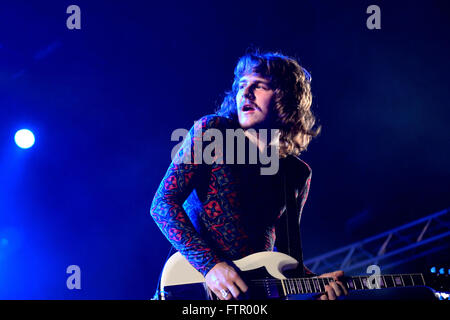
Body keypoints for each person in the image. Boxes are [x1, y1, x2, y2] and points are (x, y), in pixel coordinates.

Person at [150, 51, 348, 300]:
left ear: (286, 98)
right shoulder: (213, 133)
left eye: (259, 86)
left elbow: (290, 262)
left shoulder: (296, 173)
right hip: (194, 290)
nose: (246, 92)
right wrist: (210, 265)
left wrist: (317, 288)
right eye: (242, 85)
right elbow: (162, 204)